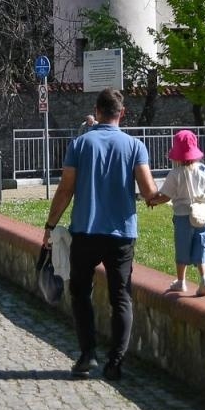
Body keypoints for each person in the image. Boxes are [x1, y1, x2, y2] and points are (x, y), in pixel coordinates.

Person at [41, 89, 167, 382]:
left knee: (81, 293)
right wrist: (174, 192)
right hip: (121, 235)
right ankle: (116, 363)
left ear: (96, 111)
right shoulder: (135, 146)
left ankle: (87, 354)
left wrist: (50, 226)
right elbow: (150, 193)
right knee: (121, 297)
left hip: (85, 232)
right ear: (121, 113)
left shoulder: (80, 144)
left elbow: (65, 189)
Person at [157, 129, 205, 296]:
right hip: (203, 215)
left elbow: (165, 196)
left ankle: (181, 281)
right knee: (202, 247)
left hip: (183, 216)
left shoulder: (175, 174)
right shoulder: (203, 170)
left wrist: (152, 200)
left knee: (182, 247)